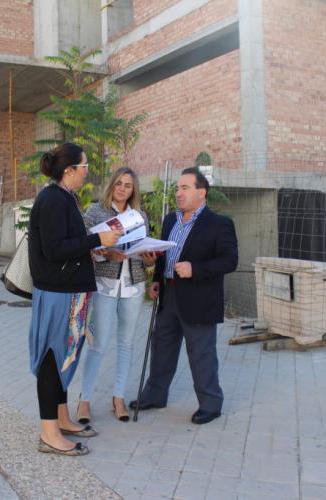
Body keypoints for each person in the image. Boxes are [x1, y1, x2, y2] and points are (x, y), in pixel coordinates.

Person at [28, 143, 122, 456]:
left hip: (69, 291)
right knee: (53, 360)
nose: (87, 171)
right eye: (84, 166)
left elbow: (67, 244)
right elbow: (54, 249)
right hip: (57, 294)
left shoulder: (65, 197)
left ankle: (63, 418)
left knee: (65, 356)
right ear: (69, 170)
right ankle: (49, 433)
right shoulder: (52, 198)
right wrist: (98, 239)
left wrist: (91, 249)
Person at [129, 167, 238, 425]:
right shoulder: (170, 220)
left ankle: (211, 404)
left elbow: (230, 260)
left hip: (199, 298)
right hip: (169, 295)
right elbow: (165, 254)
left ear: (202, 192)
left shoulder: (220, 224)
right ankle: (155, 395)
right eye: (177, 188)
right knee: (161, 347)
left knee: (201, 353)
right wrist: (157, 280)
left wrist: (195, 269)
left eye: (185, 188)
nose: (178, 193)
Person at [77, 167, 155, 424]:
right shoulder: (95, 212)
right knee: (99, 344)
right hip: (105, 284)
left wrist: (149, 260)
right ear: (112, 185)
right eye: (119, 183)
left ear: (134, 190)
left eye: (128, 185)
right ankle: (84, 400)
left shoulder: (139, 215)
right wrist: (106, 253)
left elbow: (144, 256)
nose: (123, 189)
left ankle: (118, 397)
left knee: (127, 343)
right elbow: (84, 250)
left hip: (133, 286)